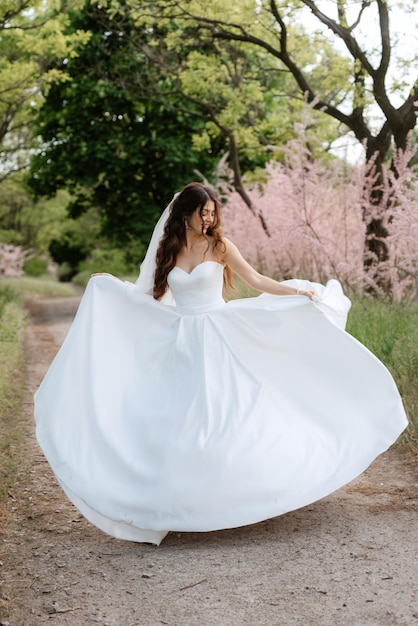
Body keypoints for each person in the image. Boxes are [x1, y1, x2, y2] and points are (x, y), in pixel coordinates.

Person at [34, 182, 408, 546]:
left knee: (232, 411)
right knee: (184, 420)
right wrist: (109, 284)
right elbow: (145, 295)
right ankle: (183, 501)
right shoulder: (171, 248)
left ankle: (250, 488)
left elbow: (256, 279)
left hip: (221, 333)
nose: (209, 218)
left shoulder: (221, 246)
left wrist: (297, 290)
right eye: (203, 212)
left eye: (213, 212)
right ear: (186, 214)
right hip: (185, 341)